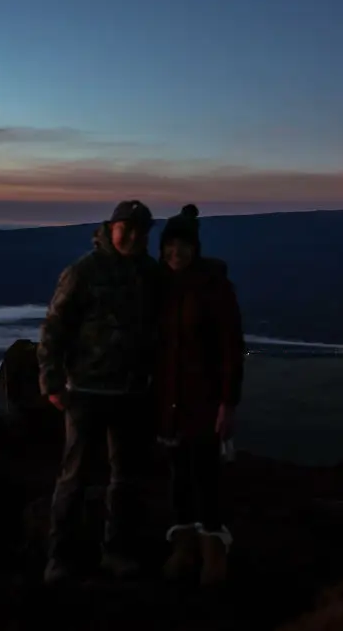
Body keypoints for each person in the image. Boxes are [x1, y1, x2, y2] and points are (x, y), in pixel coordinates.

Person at [37, 200, 161, 585]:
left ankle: (117, 551)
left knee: (125, 477)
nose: (134, 236)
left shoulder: (150, 274)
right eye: (127, 228)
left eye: (141, 231)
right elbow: (54, 328)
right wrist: (52, 382)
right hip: (87, 391)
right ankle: (60, 557)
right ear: (111, 228)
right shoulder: (84, 271)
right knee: (75, 477)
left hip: (132, 392)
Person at [154, 204, 245, 585]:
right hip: (166, 398)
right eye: (169, 245)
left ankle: (212, 547)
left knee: (205, 472)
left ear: (195, 248)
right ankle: (185, 543)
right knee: (178, 473)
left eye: (183, 245)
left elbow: (230, 346)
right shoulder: (157, 284)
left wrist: (228, 402)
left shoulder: (214, 287)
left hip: (204, 397)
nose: (176, 253)